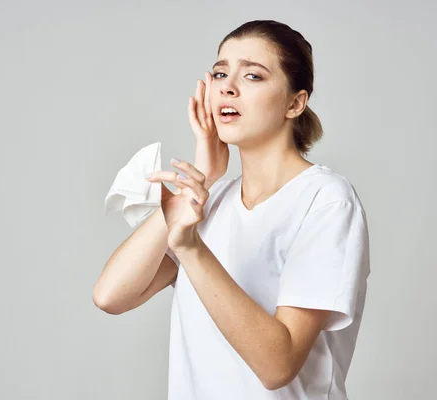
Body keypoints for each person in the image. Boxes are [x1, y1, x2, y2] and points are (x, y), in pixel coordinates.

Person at [93, 19, 371, 400]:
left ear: (295, 102)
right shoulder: (209, 201)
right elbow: (111, 295)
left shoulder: (326, 200)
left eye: (253, 76)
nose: (227, 86)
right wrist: (202, 180)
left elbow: (278, 365)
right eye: (220, 72)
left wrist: (191, 248)